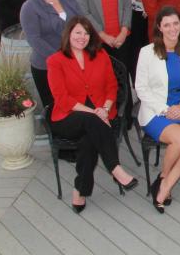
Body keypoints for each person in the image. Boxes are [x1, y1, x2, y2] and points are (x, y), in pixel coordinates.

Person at [47, 17, 138, 213]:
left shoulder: (100, 55)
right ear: (68, 34)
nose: (82, 37)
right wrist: (95, 113)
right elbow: (62, 99)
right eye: (78, 32)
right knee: (92, 123)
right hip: (67, 117)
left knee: (89, 140)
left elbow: (112, 87)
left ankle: (81, 189)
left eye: (86, 33)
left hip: (100, 114)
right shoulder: (55, 61)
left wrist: (104, 109)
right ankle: (115, 167)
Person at [134, 8, 180, 212]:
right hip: (157, 110)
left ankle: (164, 182)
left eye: (175, 23)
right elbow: (141, 88)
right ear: (159, 27)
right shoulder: (147, 52)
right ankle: (165, 181)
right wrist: (165, 109)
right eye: (166, 24)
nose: (172, 28)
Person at [75, 0, 134, 96]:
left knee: (123, 79)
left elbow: (128, 6)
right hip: (98, 40)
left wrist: (123, 31)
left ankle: (126, 117)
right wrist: (102, 35)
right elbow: (83, 12)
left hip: (122, 39)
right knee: (104, 81)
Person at [20, 0, 82, 110]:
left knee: (78, 105)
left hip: (76, 62)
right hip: (47, 67)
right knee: (56, 109)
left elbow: (82, 24)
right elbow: (34, 39)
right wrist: (63, 59)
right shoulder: (29, 7)